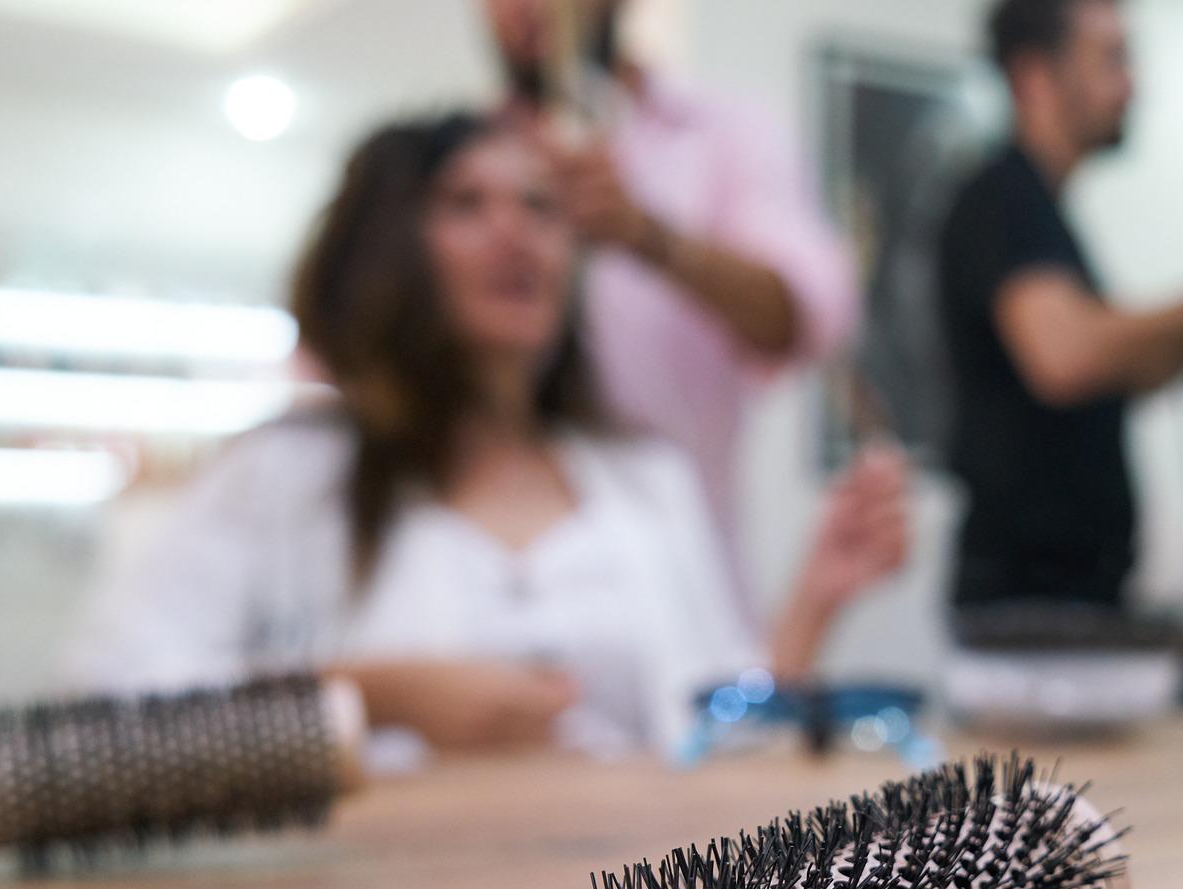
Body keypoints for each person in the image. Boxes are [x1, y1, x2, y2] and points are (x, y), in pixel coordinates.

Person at [64, 113, 907, 757]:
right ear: (384, 248)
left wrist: (814, 602)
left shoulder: (646, 480)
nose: (517, 231)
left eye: (541, 206)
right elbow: (114, 716)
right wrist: (372, 695)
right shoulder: (285, 474)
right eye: (466, 203)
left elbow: (716, 740)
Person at [940, 0, 1183, 609]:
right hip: (1027, 607)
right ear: (1035, 77)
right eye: (1112, 59)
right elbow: (1068, 358)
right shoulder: (1002, 200)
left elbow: (1147, 362)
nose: (1131, 86)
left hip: (1076, 599)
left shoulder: (1044, 217)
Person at [482, 0, 857, 565]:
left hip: (684, 577)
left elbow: (802, 318)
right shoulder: (462, 160)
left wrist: (644, 234)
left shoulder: (724, 135)